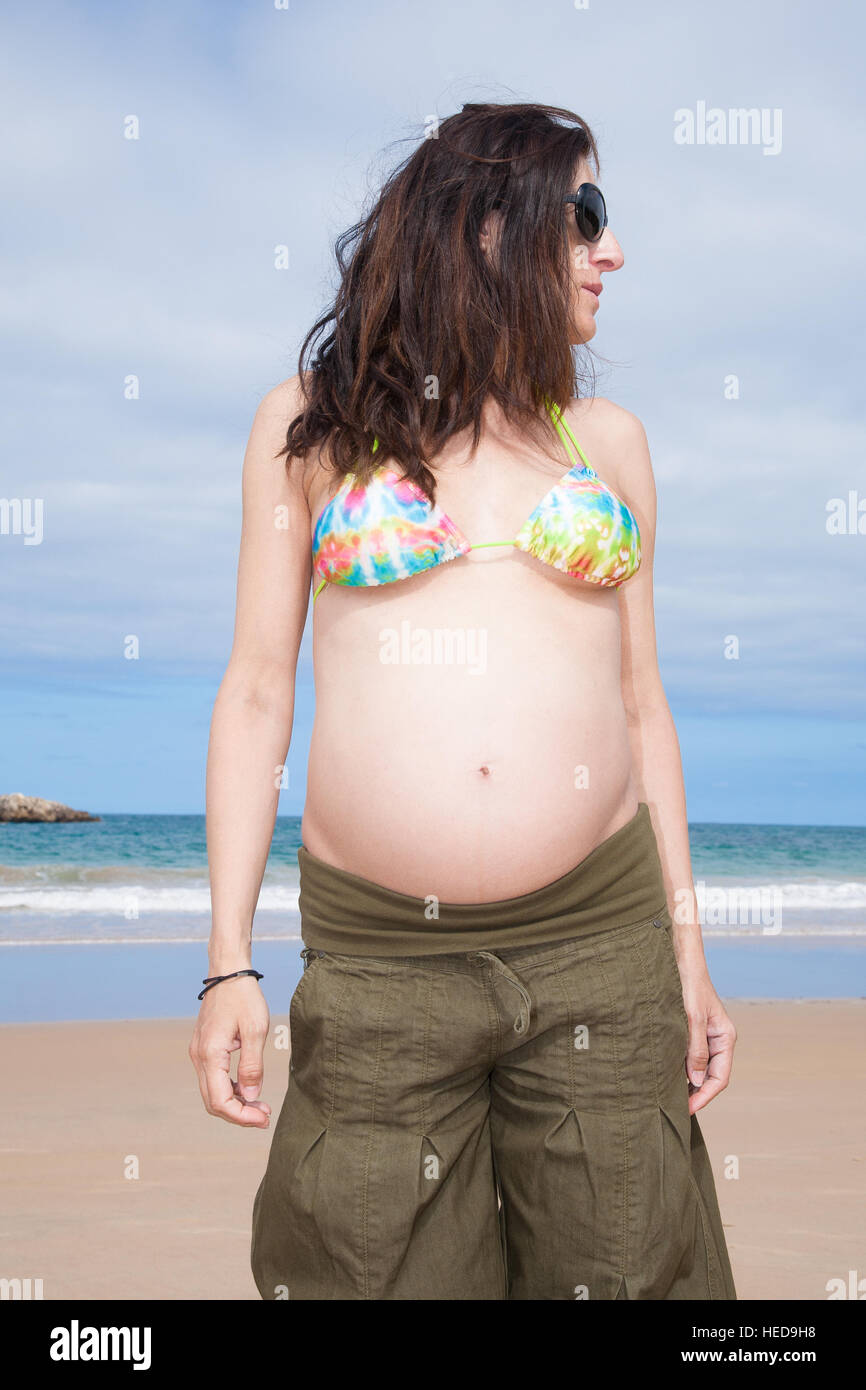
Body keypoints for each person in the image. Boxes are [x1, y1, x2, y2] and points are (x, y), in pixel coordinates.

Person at [189, 101, 737, 1301]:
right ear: (488, 228)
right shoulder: (311, 429)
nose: (612, 250)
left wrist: (688, 957)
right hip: (383, 964)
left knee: (630, 1273)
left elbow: (643, 708)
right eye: (584, 214)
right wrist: (227, 963)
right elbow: (255, 691)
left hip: (601, 948)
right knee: (366, 1273)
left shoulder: (607, 442)